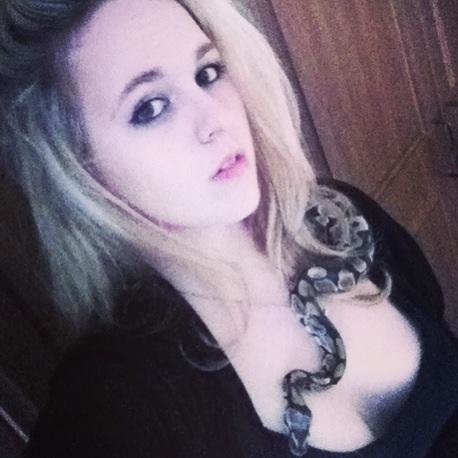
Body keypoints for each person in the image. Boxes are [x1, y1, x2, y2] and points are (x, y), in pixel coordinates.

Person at [0, 0, 456, 456]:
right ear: (79, 171)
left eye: (208, 72)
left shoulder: (340, 219)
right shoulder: (115, 400)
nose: (216, 119)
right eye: (152, 107)